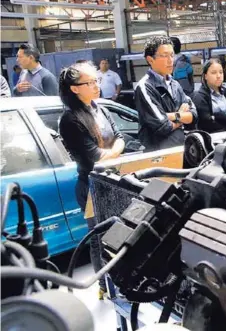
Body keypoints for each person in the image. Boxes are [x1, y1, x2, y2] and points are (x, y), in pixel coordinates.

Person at [58, 61, 125, 299]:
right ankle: (105, 286)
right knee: (99, 240)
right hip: (91, 186)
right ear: (75, 88)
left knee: (120, 234)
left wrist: (113, 150)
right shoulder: (71, 120)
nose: (97, 85)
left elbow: (119, 136)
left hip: (113, 181)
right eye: (91, 82)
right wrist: (114, 150)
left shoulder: (100, 108)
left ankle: (123, 280)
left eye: (97, 80)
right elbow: (95, 158)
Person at [135, 36, 198, 151]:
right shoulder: (145, 87)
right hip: (158, 153)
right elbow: (163, 126)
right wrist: (181, 117)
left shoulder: (175, 84)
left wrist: (173, 116)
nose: (170, 60)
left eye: (172, 55)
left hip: (179, 148)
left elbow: (193, 115)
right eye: (164, 56)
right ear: (150, 59)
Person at [193, 59, 226, 133]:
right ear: (205, 76)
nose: (218, 76)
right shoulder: (200, 97)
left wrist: (219, 116)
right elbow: (208, 125)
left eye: (221, 72)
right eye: (213, 73)